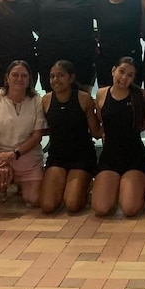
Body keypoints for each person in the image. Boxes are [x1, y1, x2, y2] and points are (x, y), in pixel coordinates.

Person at [0, 60, 47, 205]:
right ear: (7, 78)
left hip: (25, 154)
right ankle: (1, 187)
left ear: (29, 80)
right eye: (15, 75)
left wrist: (14, 154)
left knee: (34, 199)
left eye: (24, 76)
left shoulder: (36, 101)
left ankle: (21, 182)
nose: (19, 79)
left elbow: (36, 137)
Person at [27, 0, 99, 92]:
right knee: (51, 100)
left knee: (81, 100)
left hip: (81, 56)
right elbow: (21, 6)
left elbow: (108, 13)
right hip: (50, 55)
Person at [39, 60, 103, 214]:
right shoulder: (45, 100)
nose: (55, 80)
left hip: (81, 157)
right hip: (57, 157)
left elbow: (95, 131)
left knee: (72, 205)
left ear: (72, 78)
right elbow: (43, 130)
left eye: (60, 75)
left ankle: (85, 184)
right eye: (52, 76)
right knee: (48, 206)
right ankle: (65, 186)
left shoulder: (84, 98)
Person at [92, 57, 145, 217]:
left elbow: (144, 124)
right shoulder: (101, 94)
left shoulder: (139, 95)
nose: (124, 78)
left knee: (130, 209)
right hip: (110, 156)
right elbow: (102, 124)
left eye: (130, 75)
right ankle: (114, 188)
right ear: (113, 70)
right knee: (101, 209)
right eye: (121, 72)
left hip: (134, 156)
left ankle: (135, 188)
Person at [94, 0, 144, 87]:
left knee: (133, 98)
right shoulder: (98, 3)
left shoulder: (136, 3)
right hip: (106, 60)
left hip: (131, 58)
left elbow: (143, 29)